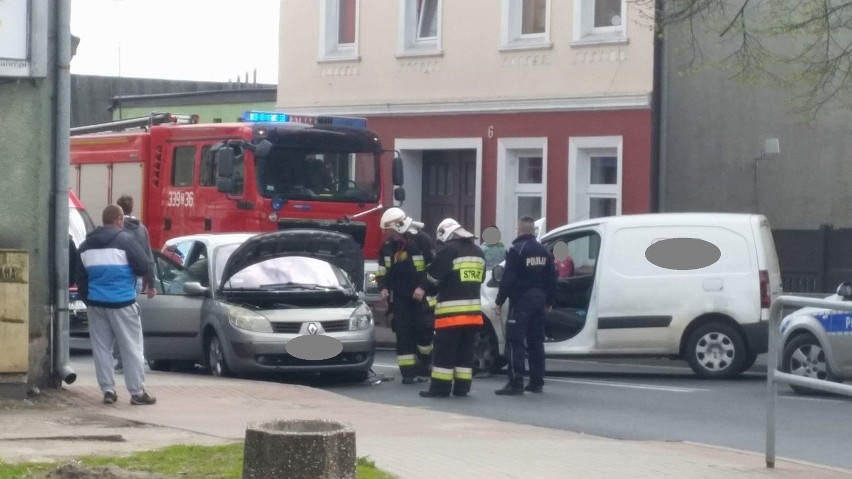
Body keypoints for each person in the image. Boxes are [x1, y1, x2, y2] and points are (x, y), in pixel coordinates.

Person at [76, 204, 156, 405]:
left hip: (96, 304)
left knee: (101, 348)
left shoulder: (85, 246)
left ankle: (108, 391)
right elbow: (141, 266)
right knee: (131, 347)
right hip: (123, 303)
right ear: (119, 219)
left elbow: (80, 278)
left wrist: (89, 300)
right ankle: (137, 392)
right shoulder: (126, 241)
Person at [413, 218, 485, 398]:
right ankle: (462, 388)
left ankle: (440, 388)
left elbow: (434, 276)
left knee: (444, 353)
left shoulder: (449, 250)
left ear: (445, 234)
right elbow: (481, 278)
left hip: (451, 316)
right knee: (465, 353)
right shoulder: (478, 252)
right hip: (473, 315)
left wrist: (421, 288)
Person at [494, 216, 557, 395]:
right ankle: (537, 381)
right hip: (539, 299)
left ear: (519, 230)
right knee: (536, 341)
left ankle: (515, 382)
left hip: (521, 300)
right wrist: (550, 301)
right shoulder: (543, 250)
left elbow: (508, 279)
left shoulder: (517, 250)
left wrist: (499, 301)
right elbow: (551, 277)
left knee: (515, 341)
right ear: (533, 231)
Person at [376, 207, 437, 384]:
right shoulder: (388, 247)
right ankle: (408, 374)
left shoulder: (422, 241)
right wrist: (383, 287)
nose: (388, 234)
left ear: (400, 227)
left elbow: (435, 269)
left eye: (390, 230)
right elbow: (382, 271)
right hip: (401, 299)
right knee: (403, 335)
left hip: (422, 298)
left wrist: (423, 287)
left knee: (423, 332)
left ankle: (425, 364)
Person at [114, 195, 156, 373]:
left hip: (119, 278)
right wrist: (151, 283)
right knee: (130, 319)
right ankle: (130, 358)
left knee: (118, 318)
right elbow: (148, 257)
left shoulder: (117, 230)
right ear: (132, 208)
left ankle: (121, 358)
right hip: (136, 280)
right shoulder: (142, 230)